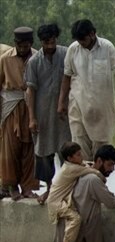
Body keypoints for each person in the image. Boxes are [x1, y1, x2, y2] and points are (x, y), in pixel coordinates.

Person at [58, 20, 115, 162]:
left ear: (92, 34)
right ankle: (84, 181)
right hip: (78, 105)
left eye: (83, 39)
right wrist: (61, 102)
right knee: (80, 147)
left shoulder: (107, 47)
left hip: (102, 108)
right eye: (78, 40)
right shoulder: (73, 49)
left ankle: (98, 182)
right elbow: (67, 76)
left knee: (101, 152)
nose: (81, 43)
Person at [25, 23, 70, 204]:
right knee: (43, 152)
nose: (50, 46)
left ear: (56, 39)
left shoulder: (66, 54)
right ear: (41, 42)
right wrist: (32, 118)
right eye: (46, 43)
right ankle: (50, 189)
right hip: (42, 114)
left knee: (67, 151)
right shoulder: (34, 62)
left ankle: (68, 190)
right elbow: (30, 90)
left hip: (64, 114)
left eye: (52, 42)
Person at [44, 141, 102, 242]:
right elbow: (93, 172)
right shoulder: (71, 169)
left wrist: (90, 164)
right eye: (78, 155)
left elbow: (85, 165)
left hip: (57, 200)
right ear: (69, 158)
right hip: (57, 203)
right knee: (75, 218)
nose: (81, 157)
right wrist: (101, 176)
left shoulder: (70, 166)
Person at [0, 27, 38, 200]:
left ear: (31, 44)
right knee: (10, 148)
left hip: (32, 107)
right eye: (20, 45)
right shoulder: (5, 59)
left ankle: (28, 187)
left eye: (26, 45)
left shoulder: (37, 56)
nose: (23, 48)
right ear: (16, 44)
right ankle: (11, 185)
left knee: (30, 148)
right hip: (11, 107)